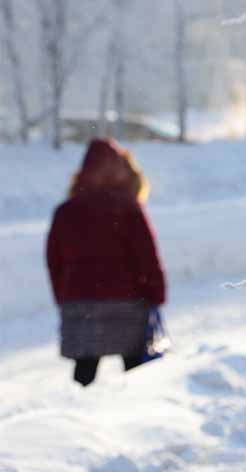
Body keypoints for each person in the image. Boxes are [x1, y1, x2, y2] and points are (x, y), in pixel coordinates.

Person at [46, 138, 166, 387]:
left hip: (80, 304)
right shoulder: (128, 208)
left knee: (84, 373)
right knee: (136, 371)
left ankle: (72, 419)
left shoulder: (66, 211)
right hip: (126, 302)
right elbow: (146, 256)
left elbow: (54, 260)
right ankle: (139, 419)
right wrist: (156, 293)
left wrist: (64, 297)